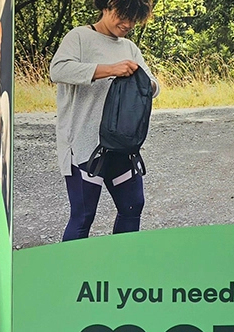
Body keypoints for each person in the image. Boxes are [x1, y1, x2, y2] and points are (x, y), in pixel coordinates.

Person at [50, 0, 159, 242]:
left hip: (121, 145)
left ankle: (121, 270)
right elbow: (57, 70)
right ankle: (72, 277)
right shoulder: (79, 37)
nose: (128, 24)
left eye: (134, 19)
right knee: (83, 215)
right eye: (123, 15)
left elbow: (153, 87)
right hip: (84, 148)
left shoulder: (130, 48)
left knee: (133, 206)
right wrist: (110, 69)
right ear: (107, 6)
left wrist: (144, 82)